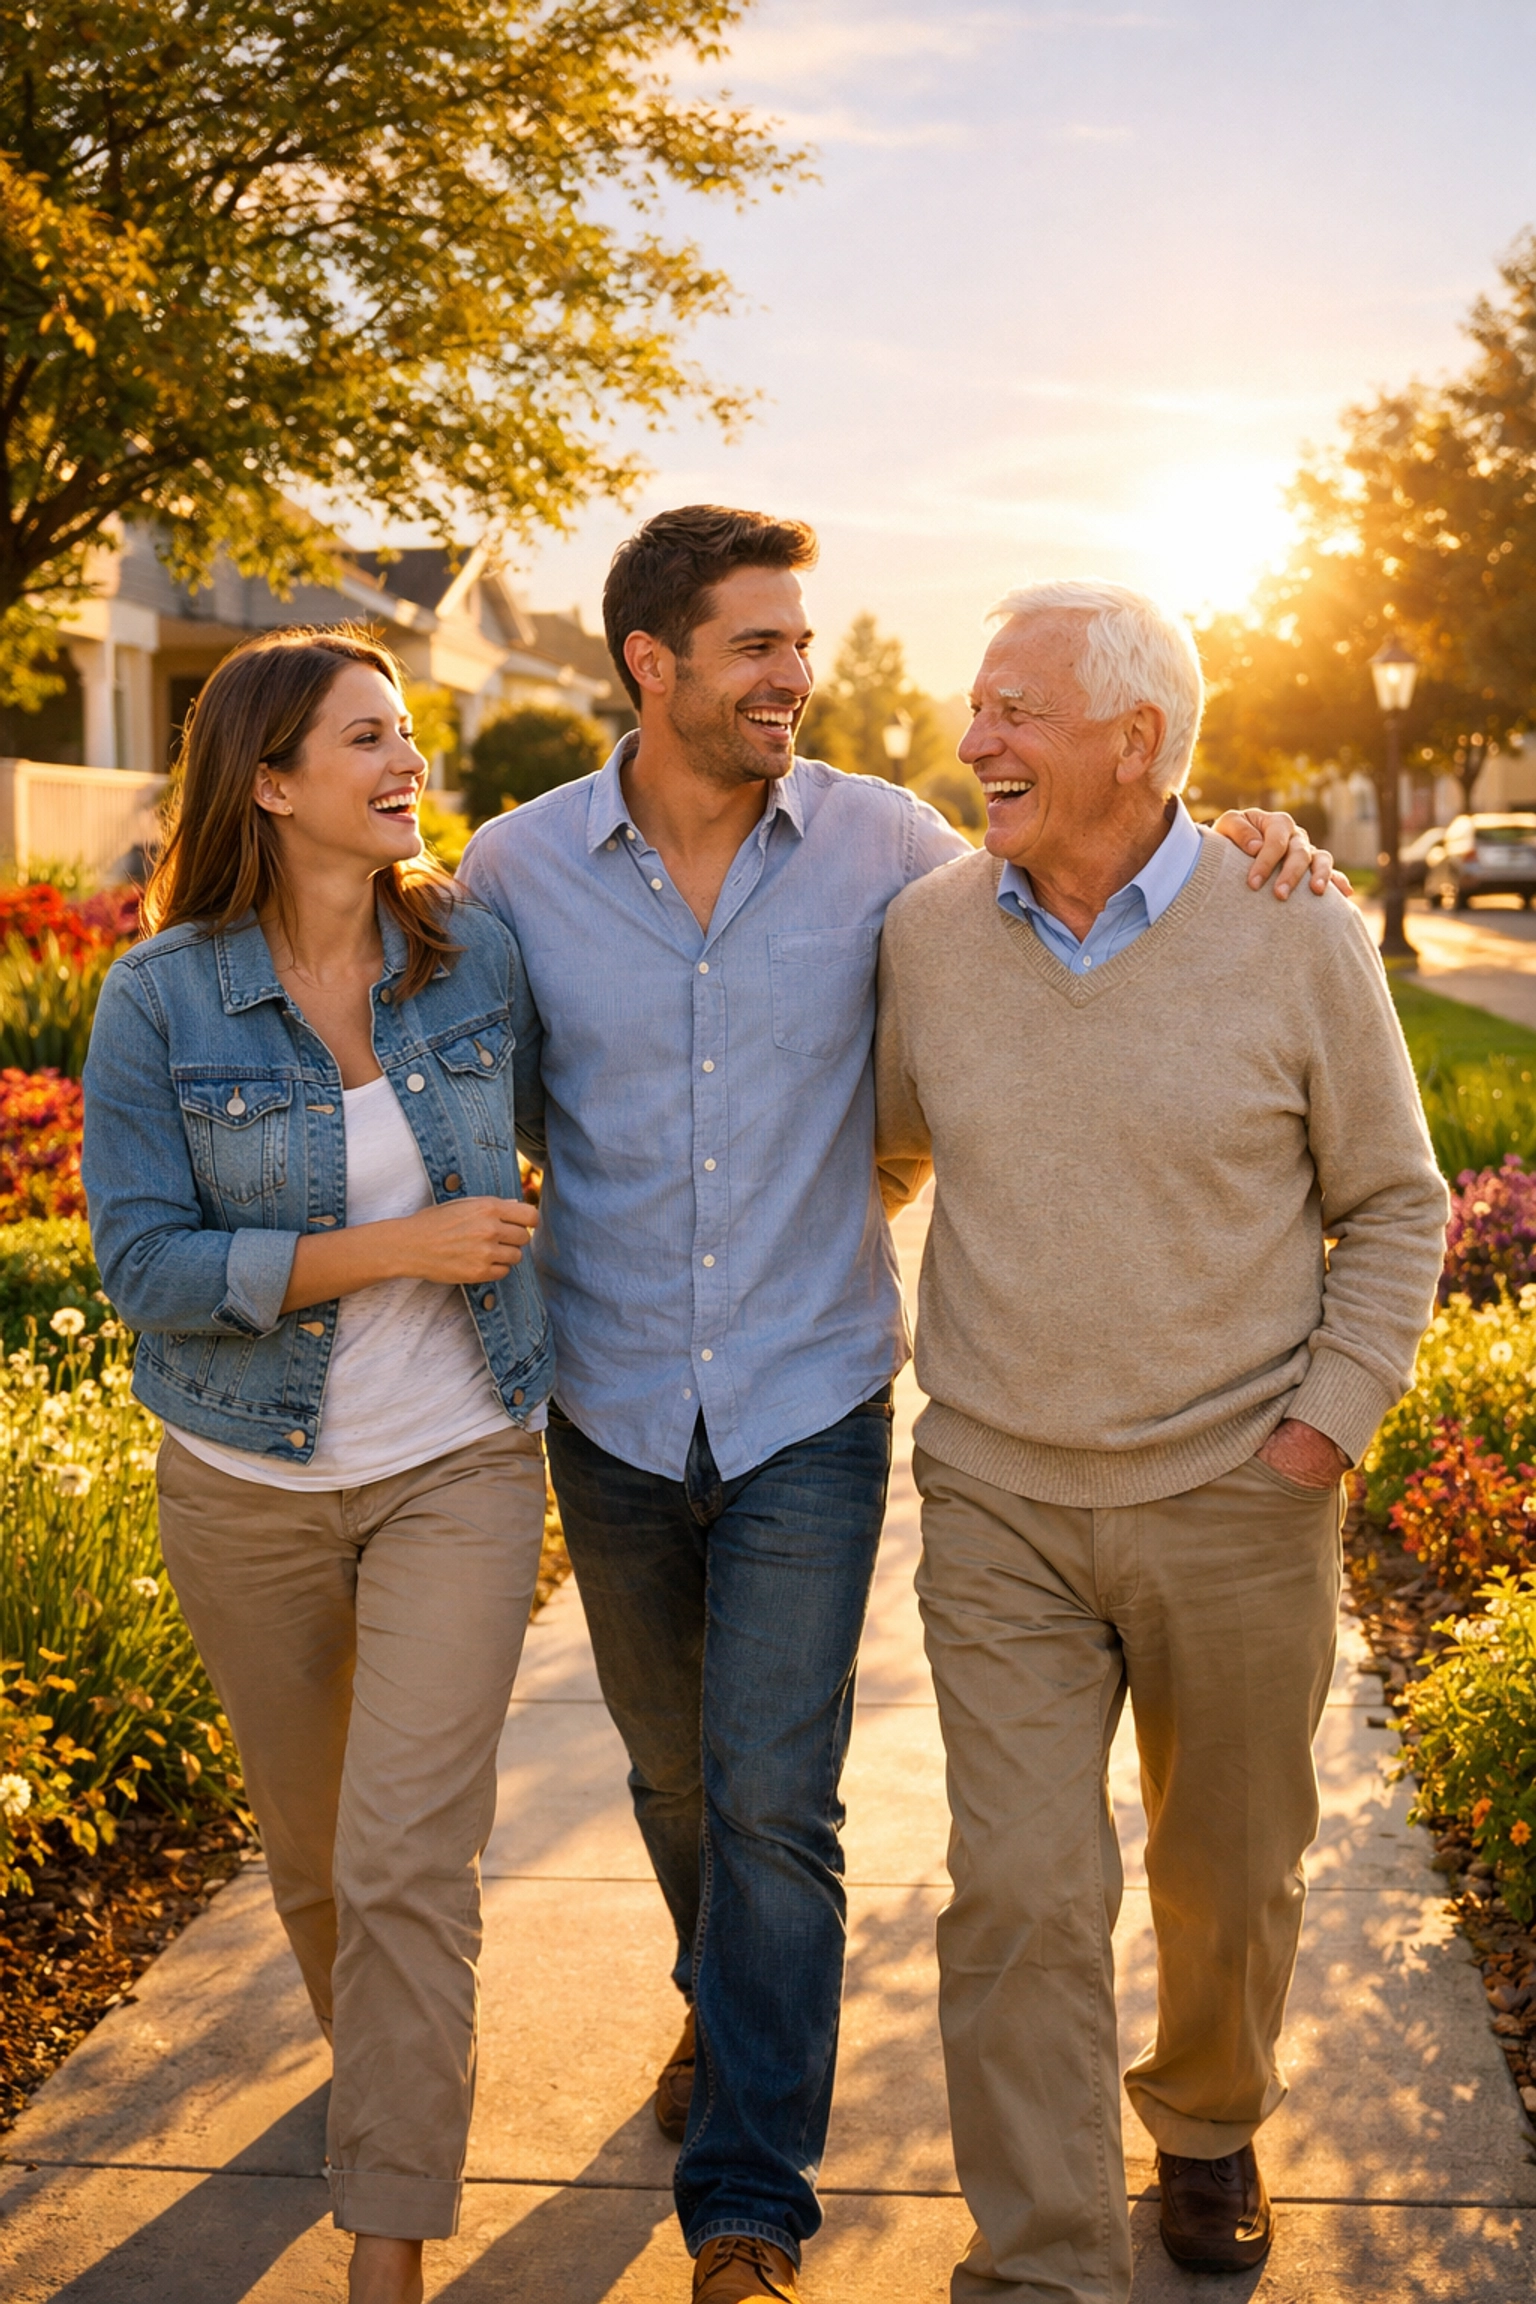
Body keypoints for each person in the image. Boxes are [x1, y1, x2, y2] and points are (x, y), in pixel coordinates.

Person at [458, 510, 1341, 2303]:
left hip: (810, 1394)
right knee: (675, 1776)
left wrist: (1256, 836)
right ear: (651, 663)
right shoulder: (512, 873)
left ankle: (754, 2202)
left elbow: (1097, 850)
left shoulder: (888, 850)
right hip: (616, 1394)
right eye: (761, 646)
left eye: (804, 642)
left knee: (779, 1795)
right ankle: (733, 2002)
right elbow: (473, 1084)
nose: (801, 674)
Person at [874, 579, 1450, 2303]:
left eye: (1013, 710)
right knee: (1021, 1895)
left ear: (1138, 739)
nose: (973, 742)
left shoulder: (1298, 932)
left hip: (1235, 1495)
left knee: (1234, 1878)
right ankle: (1041, 2263)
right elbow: (887, 1158)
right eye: (975, 708)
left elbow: (1398, 1208)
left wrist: (1317, 1437)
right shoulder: (926, 934)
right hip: (999, 1498)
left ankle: (1205, 2129)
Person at [82, 627, 552, 2304]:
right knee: (313, 1862)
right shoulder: (160, 995)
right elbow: (140, 1263)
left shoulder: (477, 959)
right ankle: (390, 2100)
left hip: (460, 1464)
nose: (407, 759)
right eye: (369, 739)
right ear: (272, 784)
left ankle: (387, 2249)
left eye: (409, 729)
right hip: (242, 1479)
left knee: (407, 1859)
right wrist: (395, 1245)